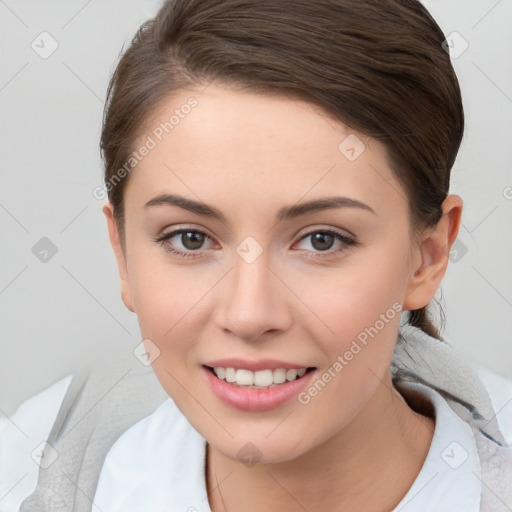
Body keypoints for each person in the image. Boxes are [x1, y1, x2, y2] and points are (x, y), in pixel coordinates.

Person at [1, 0, 511, 511]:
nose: (249, 315)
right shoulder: (24, 463)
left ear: (428, 256)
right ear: (123, 252)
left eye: (321, 240)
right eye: (191, 239)